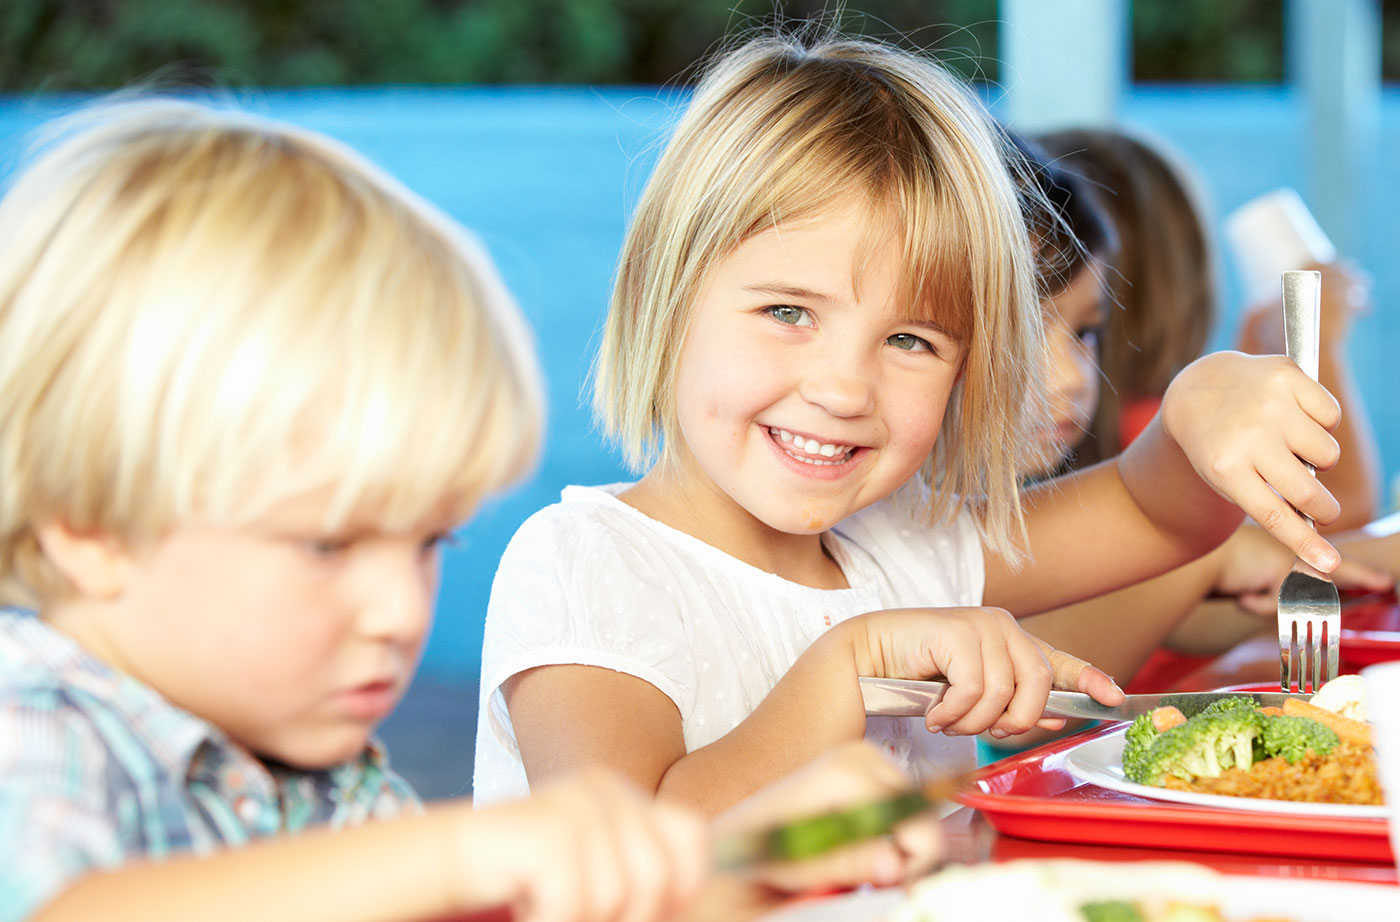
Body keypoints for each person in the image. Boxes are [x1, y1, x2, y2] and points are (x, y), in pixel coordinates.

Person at [0, 97, 942, 922]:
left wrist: (744, 860)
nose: (400, 612)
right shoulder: (33, 730)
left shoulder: (326, 775)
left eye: (425, 543)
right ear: (87, 527)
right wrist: (463, 853)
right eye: (327, 544)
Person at [474, 30, 1349, 815]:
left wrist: (1200, 410)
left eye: (909, 339)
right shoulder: (587, 565)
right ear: (666, 303)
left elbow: (1155, 513)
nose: (846, 388)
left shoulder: (903, 543)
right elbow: (625, 855)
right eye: (789, 311)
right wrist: (850, 667)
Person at [1037, 127, 1382, 530]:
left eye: (1084, 333)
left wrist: (1257, 363)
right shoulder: (1151, 434)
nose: (1068, 378)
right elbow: (1331, 519)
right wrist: (1314, 342)